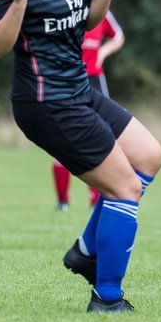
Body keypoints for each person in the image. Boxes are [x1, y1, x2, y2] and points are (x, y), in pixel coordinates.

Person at [0, 0, 161, 313]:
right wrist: (18, 4)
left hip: (79, 88)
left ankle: (87, 249)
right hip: (45, 103)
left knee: (149, 157)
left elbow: (88, 23)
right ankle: (107, 298)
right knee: (125, 188)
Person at [53, 11, 125, 211]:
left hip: (94, 80)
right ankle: (62, 201)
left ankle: (96, 199)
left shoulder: (103, 11)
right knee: (60, 136)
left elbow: (118, 37)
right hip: (66, 80)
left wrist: (102, 52)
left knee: (101, 136)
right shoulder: (66, 6)